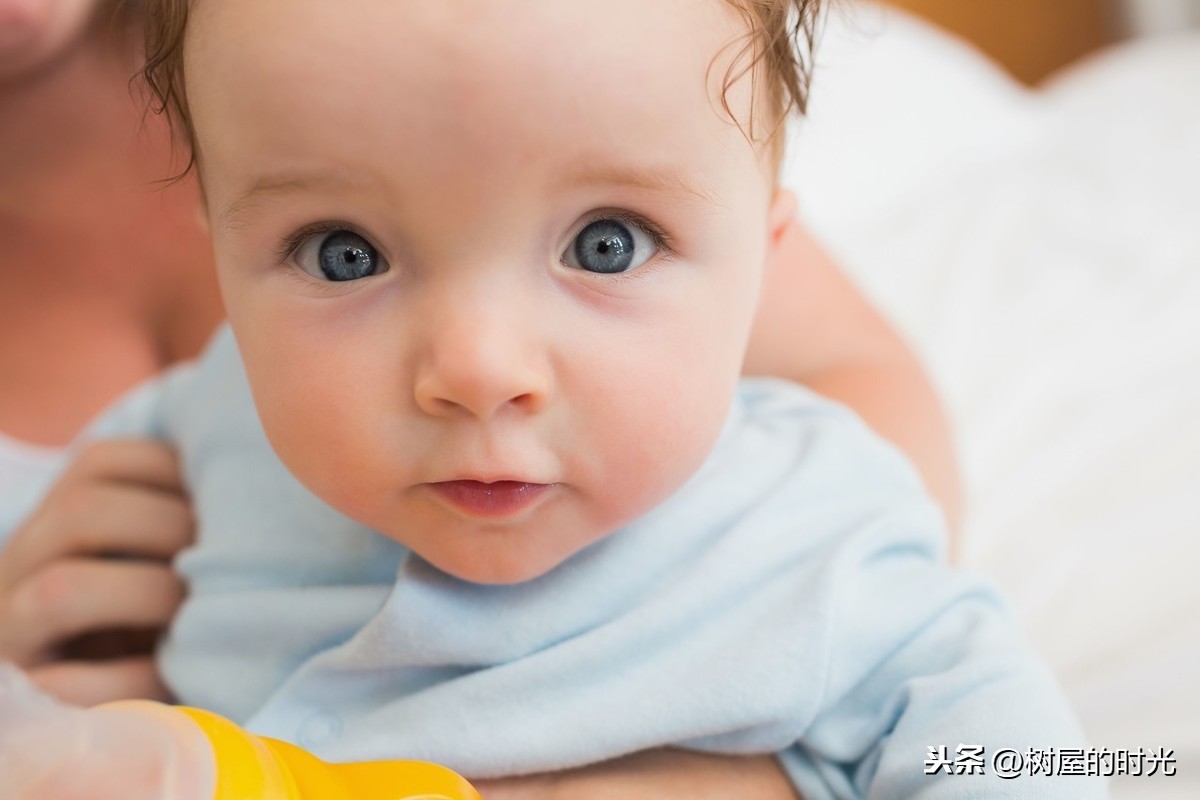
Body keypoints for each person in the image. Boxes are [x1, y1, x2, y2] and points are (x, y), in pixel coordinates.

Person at [0, 0, 1102, 797]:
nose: (477, 365)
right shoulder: (208, 421)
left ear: (764, 259)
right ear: (225, 255)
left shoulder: (816, 530)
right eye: (343, 255)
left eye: (606, 244)